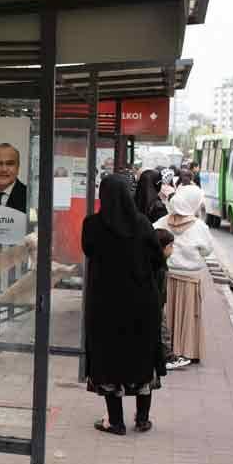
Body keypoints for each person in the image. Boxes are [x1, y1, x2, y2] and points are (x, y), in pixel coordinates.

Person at [82, 174, 166, 435]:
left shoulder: (93, 225)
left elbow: (88, 250)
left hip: (106, 305)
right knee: (142, 357)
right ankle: (142, 419)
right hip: (142, 305)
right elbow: (157, 259)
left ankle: (115, 421)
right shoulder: (142, 224)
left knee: (109, 358)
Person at [154, 185, 214, 369]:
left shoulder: (163, 221)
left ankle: (167, 349)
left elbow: (152, 236)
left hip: (168, 275)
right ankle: (186, 350)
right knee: (188, 315)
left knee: (166, 314)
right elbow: (207, 250)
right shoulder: (200, 226)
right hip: (190, 277)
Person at [155, 229, 176, 364]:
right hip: (155, 304)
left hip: (157, 303)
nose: (172, 250)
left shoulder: (158, 263)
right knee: (162, 330)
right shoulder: (159, 266)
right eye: (171, 246)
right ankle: (167, 357)